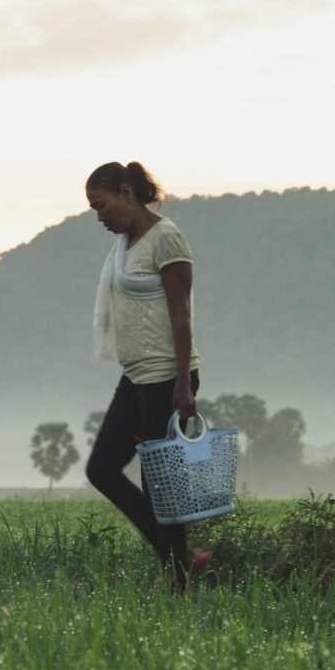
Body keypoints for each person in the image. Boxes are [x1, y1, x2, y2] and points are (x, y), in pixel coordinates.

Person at [80, 162, 214, 584]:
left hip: (167, 377)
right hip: (135, 377)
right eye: (93, 210)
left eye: (102, 206)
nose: (99, 217)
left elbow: (181, 315)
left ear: (126, 192)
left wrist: (181, 384)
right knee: (101, 468)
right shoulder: (124, 246)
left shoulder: (166, 237)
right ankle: (179, 556)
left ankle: (177, 574)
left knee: (159, 482)